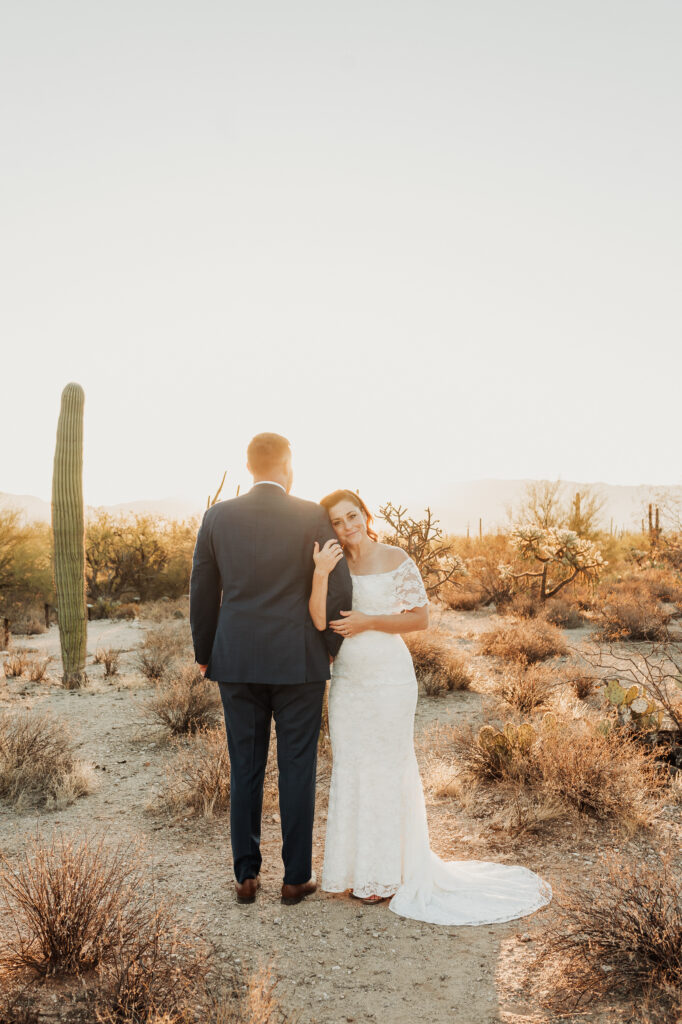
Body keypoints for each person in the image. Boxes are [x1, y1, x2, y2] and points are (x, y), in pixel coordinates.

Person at [309, 489, 552, 925]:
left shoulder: (396, 556)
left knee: (387, 766)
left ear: (365, 514)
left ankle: (386, 876)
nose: (347, 527)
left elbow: (420, 618)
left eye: (352, 516)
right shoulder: (333, 564)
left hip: (389, 676)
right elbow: (318, 620)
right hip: (347, 679)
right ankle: (353, 870)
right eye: (337, 522)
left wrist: (368, 622)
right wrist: (320, 574)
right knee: (351, 766)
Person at [189, 434, 352, 905]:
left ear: (248, 466)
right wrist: (330, 646)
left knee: (246, 766)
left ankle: (245, 875)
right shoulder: (311, 516)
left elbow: (202, 589)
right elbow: (338, 586)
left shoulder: (217, 516)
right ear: (288, 466)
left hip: (236, 659)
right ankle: (295, 877)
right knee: (297, 766)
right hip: (299, 660)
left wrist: (206, 652)